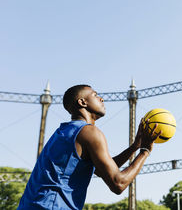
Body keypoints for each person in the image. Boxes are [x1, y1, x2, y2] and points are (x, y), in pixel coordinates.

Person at [17, 84, 160, 210]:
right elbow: (118, 183)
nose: (101, 99)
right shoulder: (89, 132)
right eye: (96, 95)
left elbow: (101, 169)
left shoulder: (63, 133)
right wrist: (145, 151)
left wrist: (134, 147)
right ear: (83, 102)